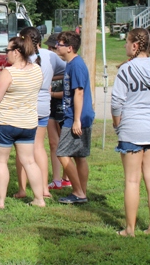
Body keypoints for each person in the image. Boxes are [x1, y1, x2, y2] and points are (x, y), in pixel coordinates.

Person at [111, 28, 150, 237]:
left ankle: (130, 229)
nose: (125, 46)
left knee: (132, 180)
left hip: (132, 129)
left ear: (135, 46)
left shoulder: (126, 70)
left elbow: (116, 102)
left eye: (127, 42)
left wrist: (117, 123)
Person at [0, 35, 45, 208]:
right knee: (29, 161)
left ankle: (0, 201)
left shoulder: (8, 72)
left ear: (17, 52)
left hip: (6, 123)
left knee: (1, 162)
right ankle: (39, 199)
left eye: (8, 50)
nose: (6, 54)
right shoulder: (37, 70)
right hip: (28, 123)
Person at [13, 28, 65, 200]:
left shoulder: (21, 55)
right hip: (44, 106)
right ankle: (44, 188)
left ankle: (22, 189)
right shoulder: (50, 55)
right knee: (39, 147)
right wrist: (49, 80)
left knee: (22, 148)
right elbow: (66, 70)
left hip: (26, 105)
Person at [55, 31, 94, 204]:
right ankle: (81, 192)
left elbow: (79, 92)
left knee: (62, 153)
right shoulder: (71, 64)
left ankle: (78, 192)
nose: (57, 46)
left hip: (76, 117)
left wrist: (76, 119)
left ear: (69, 48)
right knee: (79, 156)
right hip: (77, 115)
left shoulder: (76, 65)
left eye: (60, 44)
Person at [45, 33, 71, 190]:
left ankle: (67, 177)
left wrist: (52, 92)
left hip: (62, 104)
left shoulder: (69, 64)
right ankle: (56, 180)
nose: (50, 50)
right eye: (48, 47)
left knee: (64, 143)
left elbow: (70, 91)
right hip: (50, 105)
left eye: (52, 47)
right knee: (53, 143)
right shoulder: (48, 61)